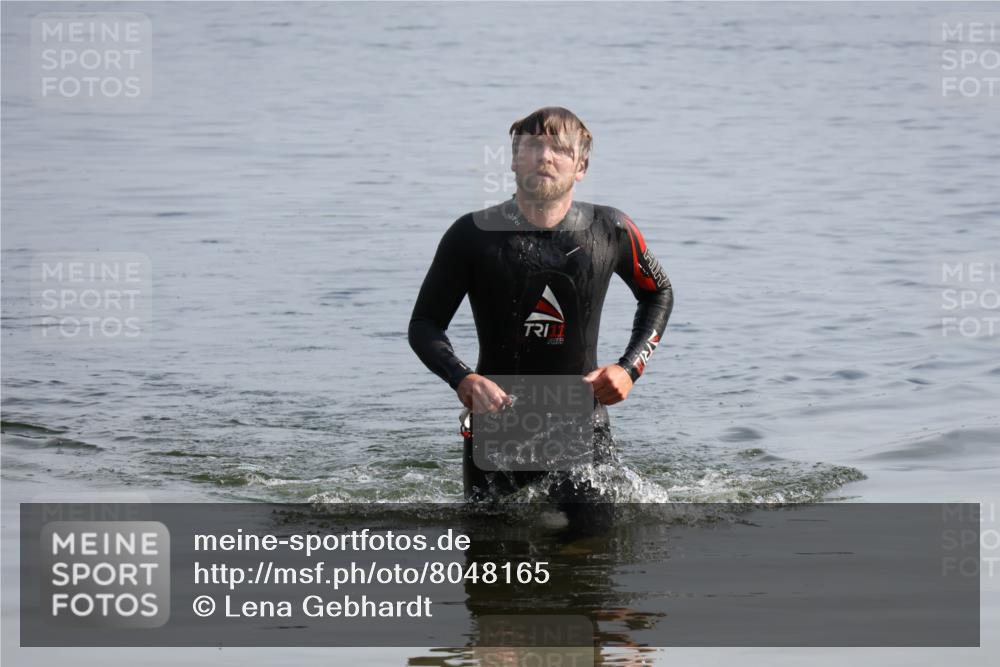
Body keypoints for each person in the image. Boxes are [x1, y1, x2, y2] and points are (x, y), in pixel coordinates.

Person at [408, 107, 673, 503]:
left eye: (560, 149)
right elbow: (425, 324)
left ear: (581, 166)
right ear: (514, 160)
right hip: (495, 433)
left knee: (594, 541)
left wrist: (629, 368)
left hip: (583, 429)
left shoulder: (612, 230)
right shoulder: (471, 235)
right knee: (487, 544)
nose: (545, 157)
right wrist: (464, 379)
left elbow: (658, 292)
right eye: (532, 146)